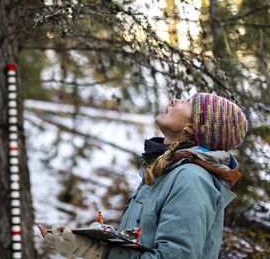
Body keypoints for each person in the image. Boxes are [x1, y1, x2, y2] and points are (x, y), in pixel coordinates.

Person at [38, 92, 248, 259]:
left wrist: (99, 253)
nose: (175, 100)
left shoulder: (191, 179)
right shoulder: (165, 170)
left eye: (186, 102)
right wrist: (102, 240)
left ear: (191, 127)